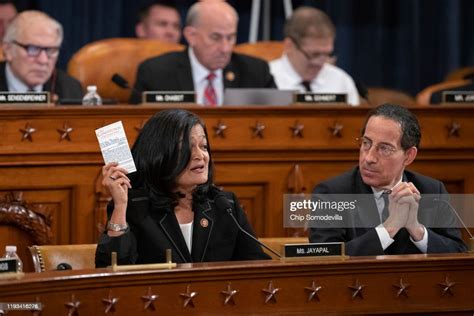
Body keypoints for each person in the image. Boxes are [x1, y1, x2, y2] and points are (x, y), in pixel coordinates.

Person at [96, 109, 270, 267]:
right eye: (187, 148)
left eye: (203, 146)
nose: (200, 155)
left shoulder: (224, 205)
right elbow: (111, 271)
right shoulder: (133, 207)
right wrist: (120, 206)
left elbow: (257, 267)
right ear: (160, 154)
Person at [309, 103, 467, 256]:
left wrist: (417, 229)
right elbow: (324, 256)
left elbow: (458, 254)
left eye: (384, 148)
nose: (369, 158)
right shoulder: (331, 194)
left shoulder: (432, 191)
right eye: (366, 143)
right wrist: (390, 227)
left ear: (409, 156)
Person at [129, 1, 275, 105]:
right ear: (191, 35)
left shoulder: (257, 72)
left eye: (230, 37)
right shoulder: (155, 72)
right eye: (215, 37)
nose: (225, 48)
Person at [270, 7, 359, 106]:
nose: (320, 62)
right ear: (289, 45)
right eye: (314, 54)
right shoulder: (265, 81)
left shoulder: (342, 82)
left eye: (327, 54)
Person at [0, 10, 83, 102]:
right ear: (8, 50)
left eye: (51, 50)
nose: (43, 60)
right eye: (32, 49)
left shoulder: (70, 89)